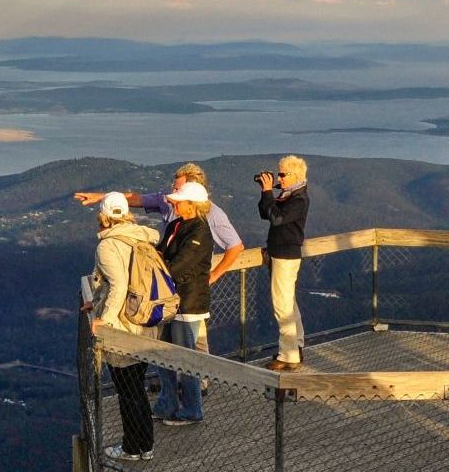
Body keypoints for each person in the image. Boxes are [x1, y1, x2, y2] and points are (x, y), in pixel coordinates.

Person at [76, 163, 245, 355]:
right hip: (167, 291)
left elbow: (236, 246)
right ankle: (179, 383)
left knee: (194, 345)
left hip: (188, 290)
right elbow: (136, 199)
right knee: (171, 346)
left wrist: (213, 275)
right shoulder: (172, 210)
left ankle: (199, 384)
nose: (171, 194)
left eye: (177, 189)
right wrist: (102, 197)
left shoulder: (212, 216)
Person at [80, 193, 167, 463]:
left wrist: (103, 320)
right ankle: (145, 445)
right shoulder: (142, 237)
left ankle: (132, 447)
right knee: (136, 387)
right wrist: (94, 301)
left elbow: (116, 284)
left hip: (123, 326)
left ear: (103, 216)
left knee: (127, 391)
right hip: (146, 320)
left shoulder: (108, 246)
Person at [153, 181, 214, 425]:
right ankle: (167, 404)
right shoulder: (176, 225)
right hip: (171, 301)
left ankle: (192, 409)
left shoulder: (199, 231)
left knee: (186, 359)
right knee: (164, 355)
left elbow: (179, 266)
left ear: (192, 205)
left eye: (179, 201)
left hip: (188, 304)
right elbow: (162, 254)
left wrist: (156, 269)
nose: (174, 204)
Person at [257, 155, 310, 371]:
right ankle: (296, 346)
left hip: (286, 257)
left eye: (282, 174)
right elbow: (266, 213)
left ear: (295, 176)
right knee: (289, 304)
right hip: (282, 255)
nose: (279, 177)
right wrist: (266, 192)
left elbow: (277, 218)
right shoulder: (289, 195)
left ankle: (288, 356)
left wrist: (269, 192)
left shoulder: (299, 200)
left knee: (282, 307)